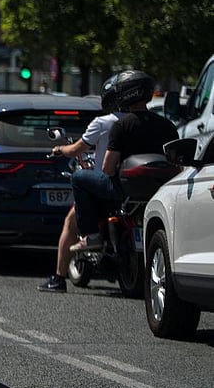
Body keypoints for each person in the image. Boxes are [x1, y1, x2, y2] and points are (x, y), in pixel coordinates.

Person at [70, 70, 178, 254]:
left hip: (124, 189)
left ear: (126, 94)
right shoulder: (167, 126)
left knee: (79, 178)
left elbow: (108, 167)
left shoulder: (122, 125)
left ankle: (92, 235)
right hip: (159, 188)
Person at [38, 77, 124, 293]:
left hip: (104, 186)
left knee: (70, 221)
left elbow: (76, 149)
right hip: (132, 186)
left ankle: (59, 278)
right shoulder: (138, 122)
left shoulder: (104, 123)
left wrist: (59, 149)